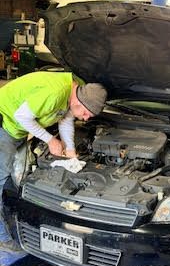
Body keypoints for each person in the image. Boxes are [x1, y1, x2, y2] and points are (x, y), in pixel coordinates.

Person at [0, 71, 107, 250]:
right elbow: (22, 116)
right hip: (4, 121)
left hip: (16, 128)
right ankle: (4, 238)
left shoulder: (78, 89)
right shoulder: (55, 92)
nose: (86, 118)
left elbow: (65, 119)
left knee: (15, 173)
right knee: (2, 180)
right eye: (86, 113)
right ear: (78, 101)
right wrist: (50, 140)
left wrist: (71, 150)